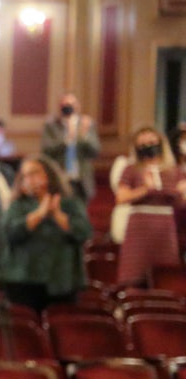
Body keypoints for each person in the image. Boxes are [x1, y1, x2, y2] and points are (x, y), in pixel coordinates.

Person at [0, 156, 92, 314]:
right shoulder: (17, 205)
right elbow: (10, 233)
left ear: (49, 174)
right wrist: (40, 213)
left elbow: (83, 232)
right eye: (25, 176)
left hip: (61, 280)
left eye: (34, 173)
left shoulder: (70, 203)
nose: (30, 180)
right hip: (22, 280)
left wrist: (57, 214)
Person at [114, 126, 186, 285]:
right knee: (134, 279)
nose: (148, 147)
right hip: (139, 228)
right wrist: (145, 189)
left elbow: (181, 200)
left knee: (165, 280)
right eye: (143, 144)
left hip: (164, 230)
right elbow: (121, 197)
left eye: (152, 142)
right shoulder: (131, 170)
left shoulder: (174, 171)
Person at [41, 93, 99, 202]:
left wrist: (83, 136)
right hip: (60, 179)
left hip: (81, 181)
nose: (68, 107)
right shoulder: (51, 125)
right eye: (65, 105)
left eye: (71, 104)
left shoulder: (86, 124)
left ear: (78, 106)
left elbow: (95, 151)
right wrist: (66, 140)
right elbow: (46, 150)